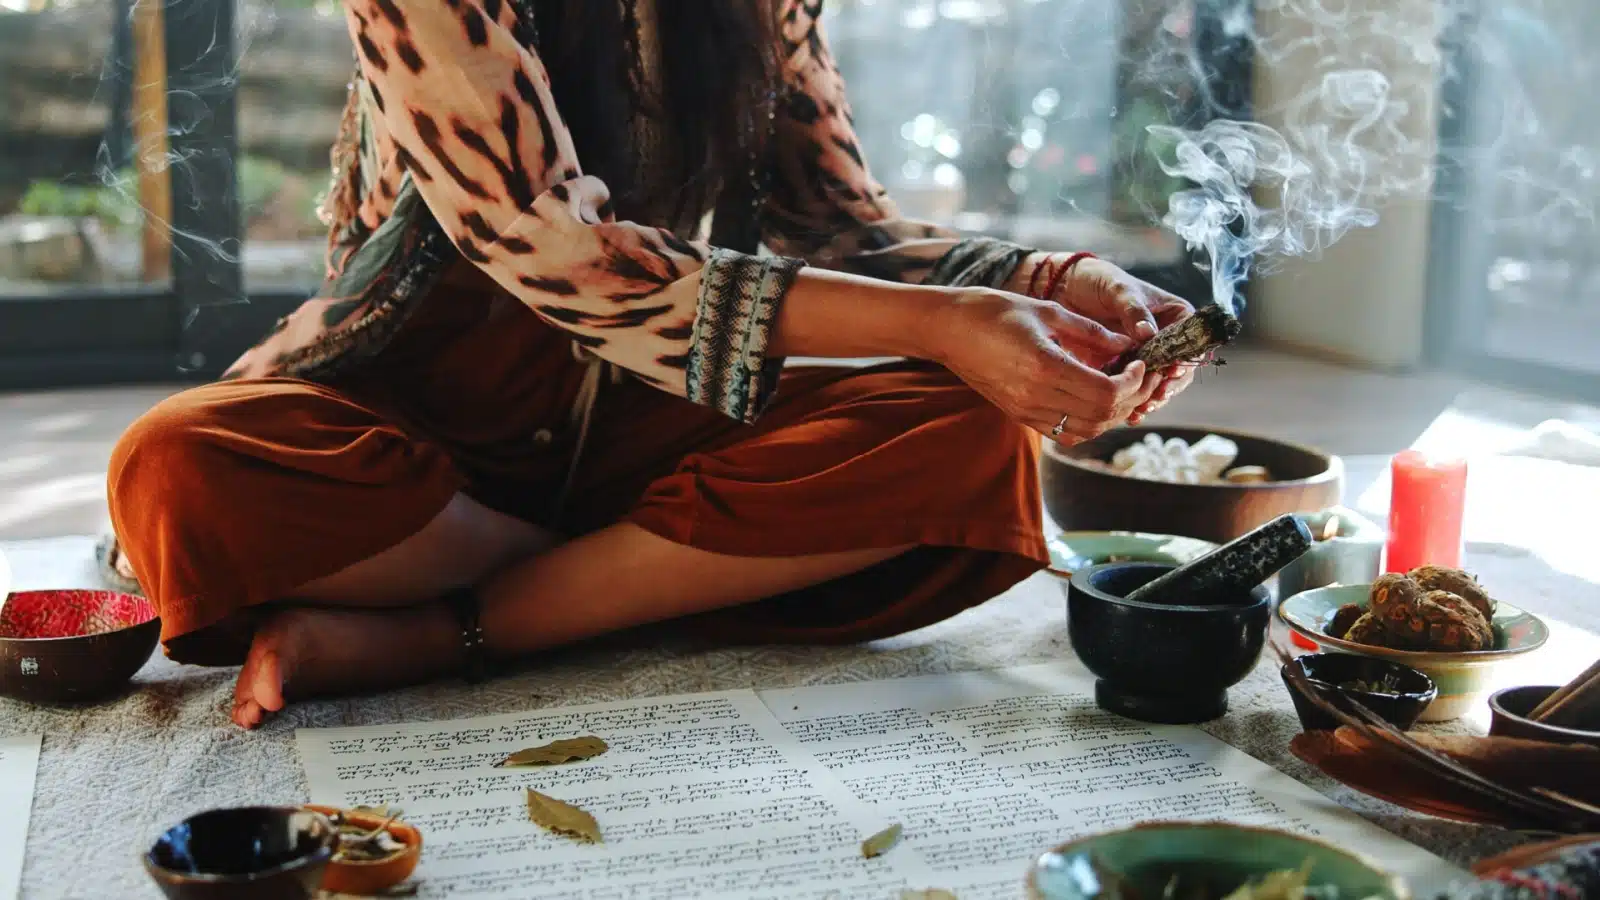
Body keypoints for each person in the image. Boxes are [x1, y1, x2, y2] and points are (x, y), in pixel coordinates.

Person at [104, 0, 1197, 729]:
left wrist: (1045, 281)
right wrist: (947, 322)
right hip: (420, 430)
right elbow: (555, 247)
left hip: (639, 415)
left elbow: (839, 226)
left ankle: (449, 632)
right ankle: (627, 579)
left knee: (966, 430)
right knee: (175, 469)